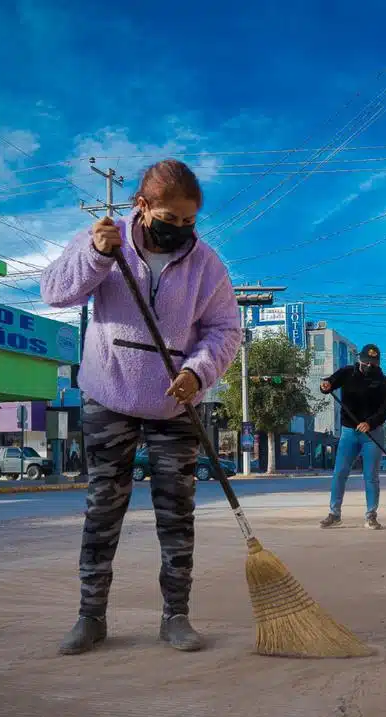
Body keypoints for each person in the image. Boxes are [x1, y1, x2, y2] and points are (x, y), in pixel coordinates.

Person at [40, 159, 241, 655]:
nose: (181, 231)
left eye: (190, 222)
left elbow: (225, 330)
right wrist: (94, 256)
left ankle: (176, 617)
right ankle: (91, 618)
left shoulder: (207, 265)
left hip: (176, 404)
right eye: (170, 220)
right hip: (109, 396)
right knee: (102, 510)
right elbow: (55, 292)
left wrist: (197, 372)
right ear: (143, 206)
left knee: (177, 515)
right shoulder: (105, 242)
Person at [318, 344, 386, 530]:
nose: (369, 366)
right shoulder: (347, 372)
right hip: (349, 432)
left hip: (372, 434)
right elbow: (330, 383)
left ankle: (371, 515)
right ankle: (334, 514)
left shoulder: (382, 381)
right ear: (359, 359)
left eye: (373, 363)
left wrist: (370, 422)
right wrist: (325, 385)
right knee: (340, 473)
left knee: (370, 476)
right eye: (366, 362)